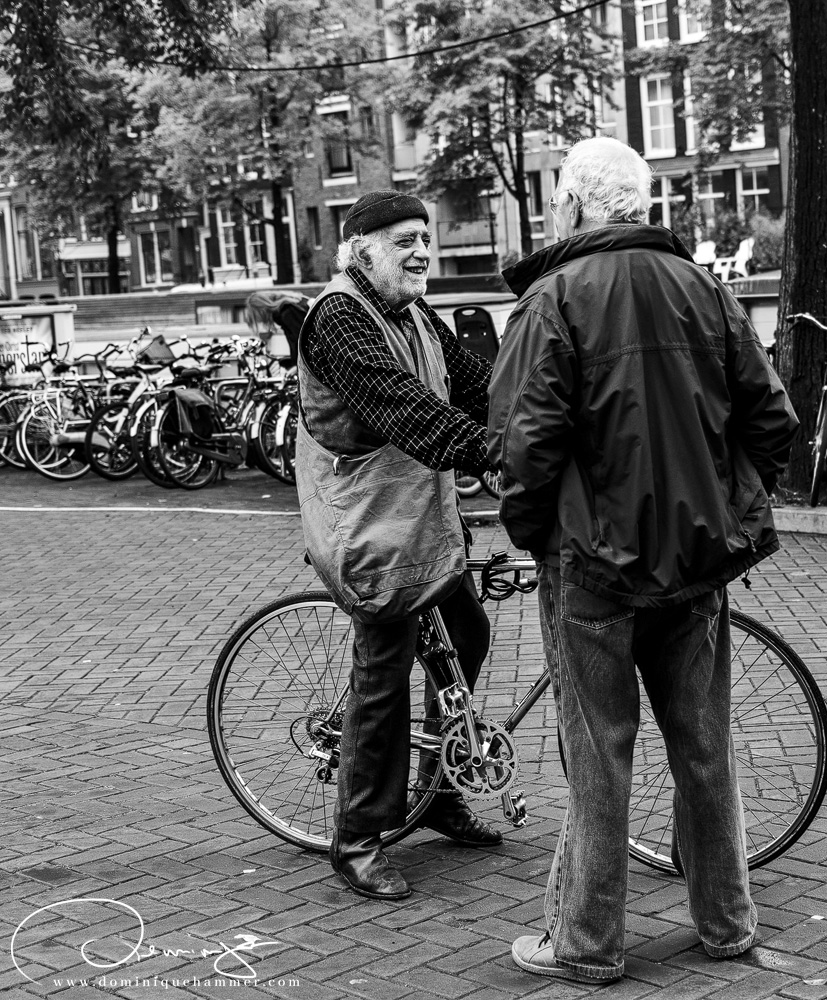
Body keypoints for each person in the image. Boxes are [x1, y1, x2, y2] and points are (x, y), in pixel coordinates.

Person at [488, 136, 799, 983]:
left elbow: (527, 446)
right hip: (695, 563)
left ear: (577, 203)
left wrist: (537, 532)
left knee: (597, 754)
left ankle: (588, 944)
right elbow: (771, 421)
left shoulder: (553, 300)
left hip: (592, 567)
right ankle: (728, 924)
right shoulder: (704, 288)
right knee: (706, 747)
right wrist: (725, 504)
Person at [296, 189, 504, 902]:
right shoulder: (340, 320)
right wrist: (497, 453)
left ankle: (438, 791)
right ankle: (356, 839)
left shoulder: (414, 312)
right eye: (405, 239)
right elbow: (403, 409)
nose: (423, 251)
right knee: (382, 678)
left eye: (426, 237)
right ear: (362, 251)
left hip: (425, 527)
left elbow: (474, 385)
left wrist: (542, 418)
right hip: (371, 534)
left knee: (467, 636)